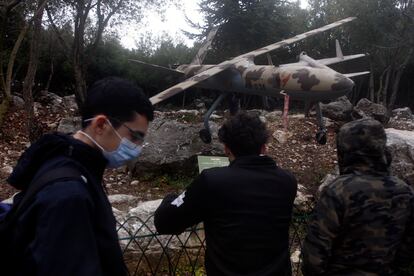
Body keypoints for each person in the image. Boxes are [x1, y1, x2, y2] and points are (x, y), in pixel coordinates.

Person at [4, 77, 154, 275]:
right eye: (134, 137)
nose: (137, 148)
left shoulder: (63, 157)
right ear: (101, 125)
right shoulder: (68, 193)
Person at [154, 113, 298, 276]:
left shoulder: (212, 181)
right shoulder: (288, 181)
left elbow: (164, 222)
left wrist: (171, 198)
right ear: (264, 147)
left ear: (226, 148)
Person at [302, 118, 414, 275]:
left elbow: (313, 258)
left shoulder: (338, 191)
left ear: (345, 151)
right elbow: (407, 250)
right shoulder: (405, 192)